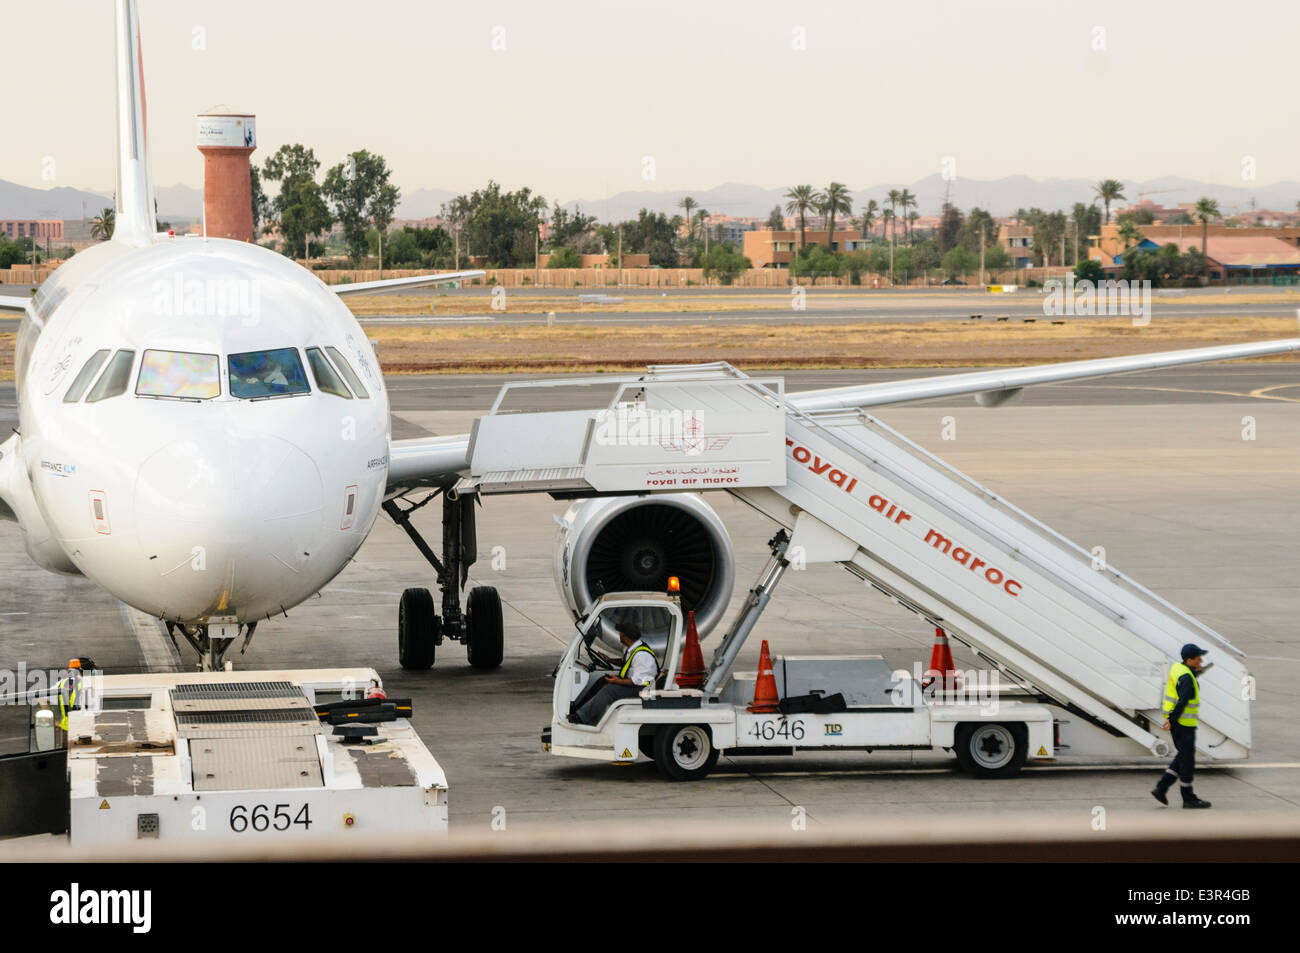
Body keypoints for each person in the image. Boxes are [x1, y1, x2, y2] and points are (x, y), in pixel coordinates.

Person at [1152, 643, 1212, 809]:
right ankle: (1188, 798)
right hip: (1184, 724)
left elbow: (1182, 685)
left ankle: (1161, 788)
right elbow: (1182, 700)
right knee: (1187, 762)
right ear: (1189, 659)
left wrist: (1195, 673)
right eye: (1198, 657)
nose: (1201, 660)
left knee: (1182, 757)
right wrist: (1172, 719)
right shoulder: (1187, 678)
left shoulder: (1178, 668)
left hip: (1180, 724)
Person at [570, 622, 658, 726]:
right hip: (636, 684)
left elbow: (638, 681)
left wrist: (618, 681)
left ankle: (581, 717)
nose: (619, 635)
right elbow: (626, 662)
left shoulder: (642, 655)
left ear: (624, 636)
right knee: (603, 680)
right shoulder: (633, 648)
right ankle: (578, 710)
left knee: (609, 691)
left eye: (620, 633)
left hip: (642, 689)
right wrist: (610, 660)